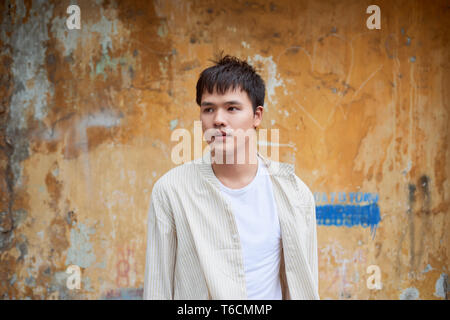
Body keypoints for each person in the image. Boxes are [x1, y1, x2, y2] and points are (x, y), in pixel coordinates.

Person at [143, 55, 319, 300]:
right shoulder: (172, 191)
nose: (218, 119)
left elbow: (304, 287)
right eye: (208, 109)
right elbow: (157, 289)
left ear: (257, 116)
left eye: (232, 108)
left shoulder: (295, 194)